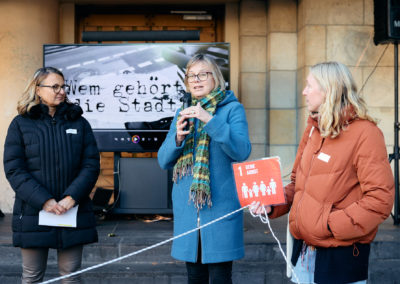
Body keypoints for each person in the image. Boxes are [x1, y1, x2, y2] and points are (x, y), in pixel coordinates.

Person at [251, 61, 394, 284]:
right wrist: (271, 204)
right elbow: (298, 184)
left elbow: (380, 200)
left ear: (328, 89)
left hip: (340, 257)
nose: (304, 91)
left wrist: (328, 224)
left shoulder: (366, 134)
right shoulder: (313, 129)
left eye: (309, 85)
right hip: (304, 253)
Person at [158, 54, 251, 283]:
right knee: (195, 277)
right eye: (191, 75)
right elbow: (163, 160)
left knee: (220, 277)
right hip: (189, 211)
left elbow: (241, 151)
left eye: (202, 74)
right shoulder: (183, 113)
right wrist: (178, 138)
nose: (196, 80)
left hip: (220, 209)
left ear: (216, 78)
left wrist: (210, 120)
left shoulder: (232, 109)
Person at [3, 67, 100, 283]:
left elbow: (91, 165)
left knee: (71, 277)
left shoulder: (79, 123)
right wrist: (44, 200)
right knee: (32, 277)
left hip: (72, 209)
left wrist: (71, 198)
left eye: (63, 86)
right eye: (55, 86)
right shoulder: (20, 124)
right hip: (33, 211)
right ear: (38, 89)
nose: (61, 91)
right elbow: (14, 168)